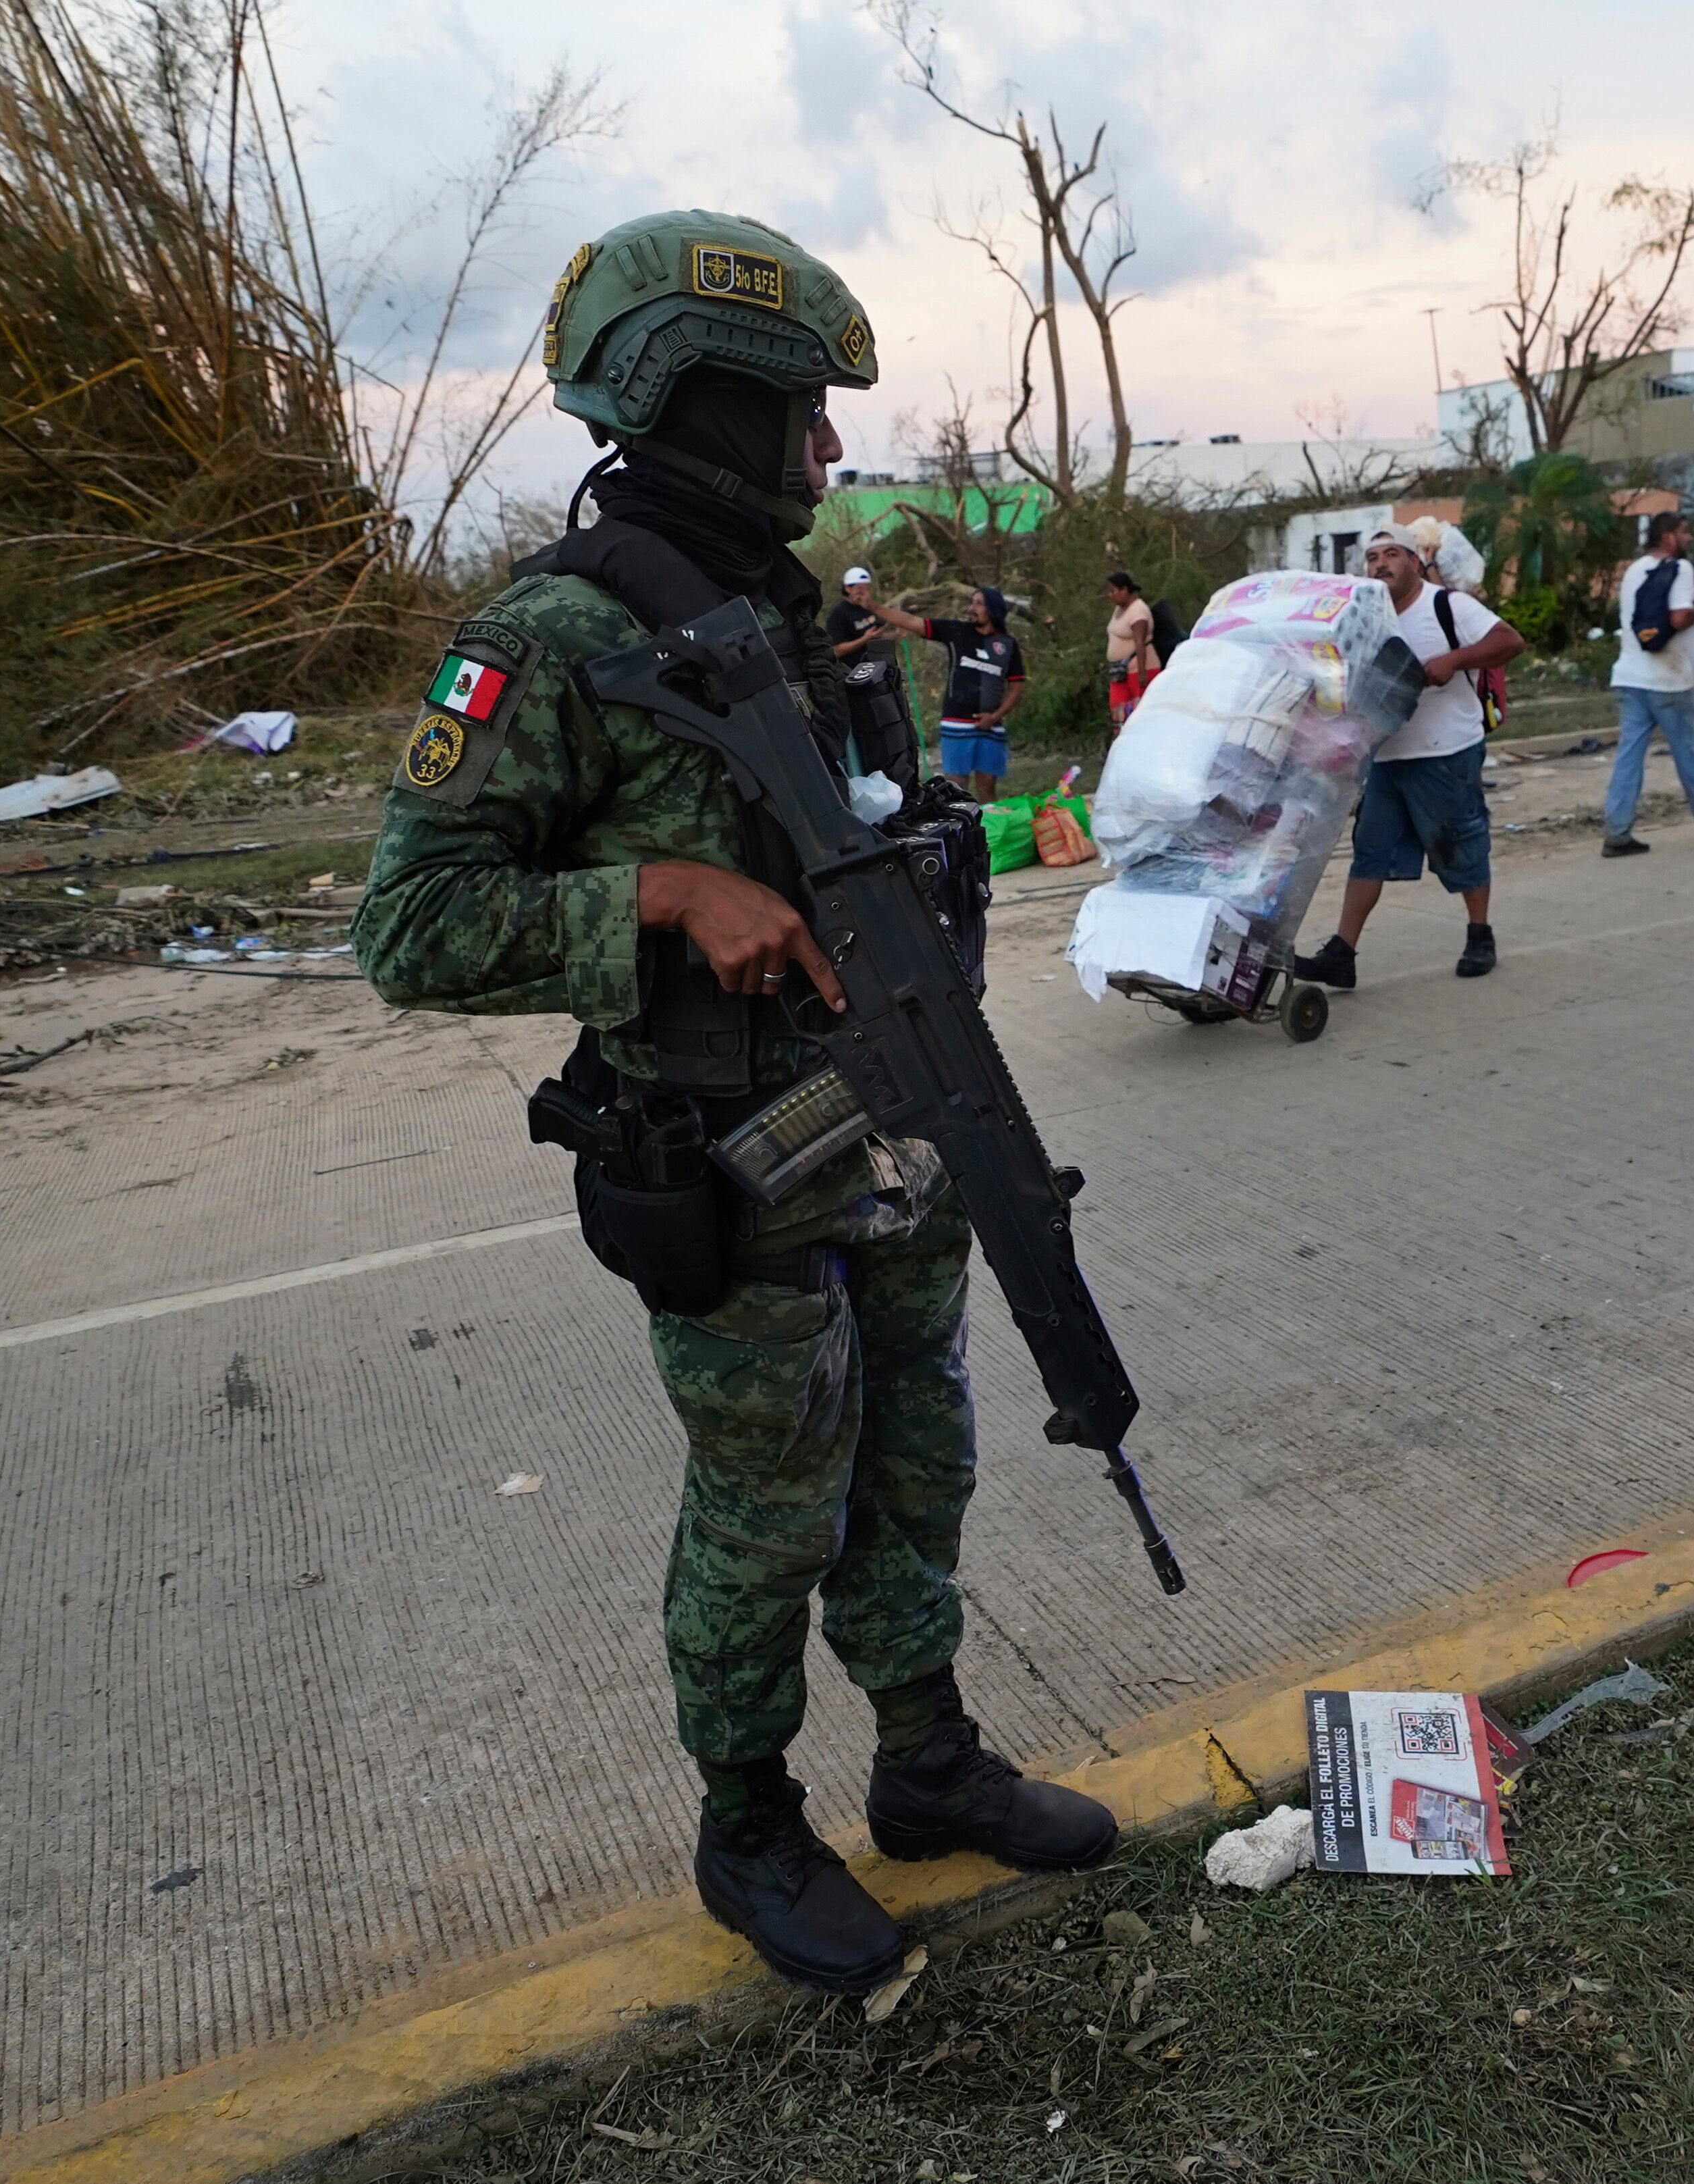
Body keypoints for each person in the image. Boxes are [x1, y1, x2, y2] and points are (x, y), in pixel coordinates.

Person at [352, 210, 1117, 2003]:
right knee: (770, 1509)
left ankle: (925, 1761)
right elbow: (411, 927)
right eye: (800, 413)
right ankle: (749, 1823)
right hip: (730, 1161)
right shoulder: (549, 637)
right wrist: (663, 896)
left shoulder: (787, 617)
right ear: (703, 406)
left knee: (917, 1461)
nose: (828, 449)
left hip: (895, 1134)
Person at [1288, 523, 1526, 987]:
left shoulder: (1447, 606)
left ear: (1415, 562)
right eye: (1373, 558)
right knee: (1369, 852)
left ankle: (1480, 934)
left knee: (1459, 845)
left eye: (1392, 554)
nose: (1381, 565)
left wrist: (1453, 660)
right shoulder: (1364, 618)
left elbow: (1510, 641)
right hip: (1385, 757)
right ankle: (1342, 954)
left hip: (1446, 752)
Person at [1599, 510, 1694, 858]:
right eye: (1684, 532)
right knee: (1689, 753)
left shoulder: (1634, 570)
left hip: (1630, 676)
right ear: (1668, 536)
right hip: (1669, 680)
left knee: (1628, 757)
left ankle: (1617, 832)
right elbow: (1680, 618)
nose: (1689, 538)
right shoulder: (1681, 569)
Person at [866, 587, 1026, 798]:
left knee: (987, 785)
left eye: (979, 604)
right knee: (957, 786)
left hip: (991, 727)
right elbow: (913, 622)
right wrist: (873, 607)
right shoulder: (956, 631)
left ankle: (990, 820)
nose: (972, 608)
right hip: (956, 724)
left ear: (993, 610)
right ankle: (964, 819)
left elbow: (1017, 687)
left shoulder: (1007, 645)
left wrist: (995, 716)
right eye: (972, 602)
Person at [826, 567, 920, 794]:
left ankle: (901, 778)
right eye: (857, 589)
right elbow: (836, 650)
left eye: (865, 588)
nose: (862, 593)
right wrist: (864, 639)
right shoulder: (840, 614)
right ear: (847, 589)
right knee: (869, 732)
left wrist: (893, 635)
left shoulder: (870, 610)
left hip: (881, 680)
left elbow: (876, 636)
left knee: (895, 727)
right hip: (855, 682)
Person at [1104, 569, 1156, 728]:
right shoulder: (1119, 609)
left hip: (1138, 668)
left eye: (1113, 591)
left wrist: (1142, 672)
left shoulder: (1138, 611)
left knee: (1141, 713)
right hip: (1120, 671)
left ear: (1124, 590)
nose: (1110, 595)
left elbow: (1140, 641)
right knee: (1118, 710)